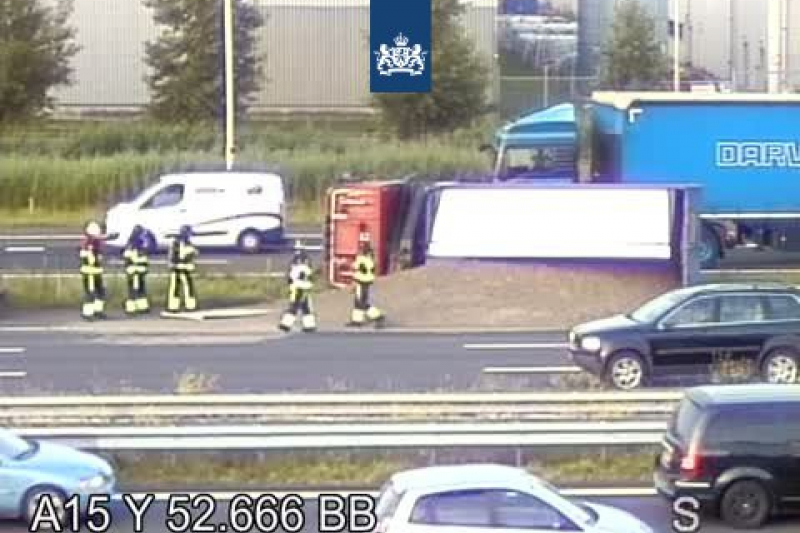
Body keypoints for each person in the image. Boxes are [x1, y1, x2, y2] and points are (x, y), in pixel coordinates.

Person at [347, 238, 385, 327]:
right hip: (367, 282)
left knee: (361, 303)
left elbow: (354, 267)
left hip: (361, 282)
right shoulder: (370, 259)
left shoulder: (361, 259)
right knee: (358, 302)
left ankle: (378, 316)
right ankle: (357, 320)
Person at [278, 250, 317, 333]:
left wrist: (290, 285)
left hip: (297, 289)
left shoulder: (296, 268)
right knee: (306, 308)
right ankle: (309, 325)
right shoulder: (307, 268)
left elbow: (290, 279)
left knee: (293, 307)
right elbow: (311, 279)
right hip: (305, 289)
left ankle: (285, 324)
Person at [166, 225, 198, 312]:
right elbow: (173, 256)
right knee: (177, 288)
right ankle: (176, 306)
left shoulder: (184, 243)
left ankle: (185, 306)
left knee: (183, 287)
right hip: (179, 268)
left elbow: (192, 254)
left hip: (182, 268)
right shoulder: (179, 243)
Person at [79, 221, 106, 320]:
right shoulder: (89, 243)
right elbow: (90, 258)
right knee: (90, 293)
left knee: (100, 292)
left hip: (96, 272)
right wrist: (94, 256)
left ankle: (98, 311)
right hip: (89, 272)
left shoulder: (95, 242)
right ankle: (87, 313)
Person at [122, 225, 150, 315]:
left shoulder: (140, 244)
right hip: (134, 272)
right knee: (133, 290)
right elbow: (130, 259)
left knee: (140, 289)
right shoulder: (132, 245)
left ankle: (142, 306)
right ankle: (131, 308)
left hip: (139, 271)